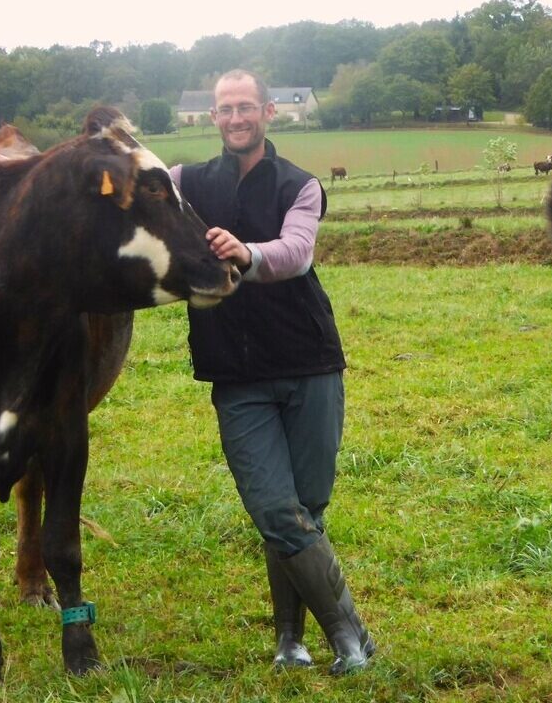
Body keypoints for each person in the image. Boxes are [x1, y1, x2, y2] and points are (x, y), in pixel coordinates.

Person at [168, 69, 375, 675]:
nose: (237, 118)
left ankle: (290, 639)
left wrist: (247, 253)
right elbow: (135, 189)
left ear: (268, 114)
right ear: (213, 118)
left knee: (303, 508)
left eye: (247, 108)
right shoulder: (185, 183)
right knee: (275, 508)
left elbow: (297, 251)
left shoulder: (300, 185)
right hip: (235, 375)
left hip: (309, 364)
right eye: (226, 109)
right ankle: (351, 636)